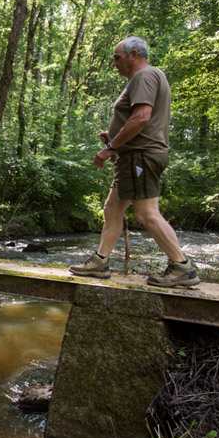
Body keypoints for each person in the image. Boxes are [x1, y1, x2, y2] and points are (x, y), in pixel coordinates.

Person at [69, 37, 200, 287]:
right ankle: (100, 262)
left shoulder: (144, 76)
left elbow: (141, 118)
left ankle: (182, 267)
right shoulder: (149, 77)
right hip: (133, 155)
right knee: (113, 209)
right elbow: (140, 120)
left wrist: (110, 147)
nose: (114, 63)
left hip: (141, 155)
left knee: (146, 213)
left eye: (117, 58)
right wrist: (116, 137)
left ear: (134, 54)